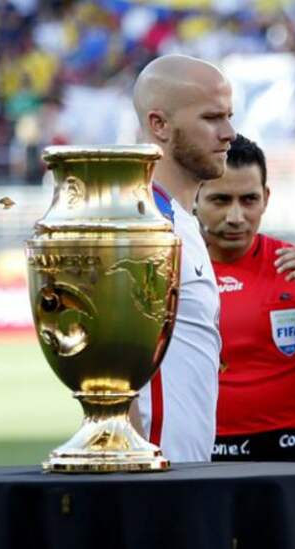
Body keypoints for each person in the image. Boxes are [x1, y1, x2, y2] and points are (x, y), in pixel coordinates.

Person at [194, 134, 295, 462]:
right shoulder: (174, 270)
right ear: (195, 197)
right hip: (204, 460)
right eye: (221, 200)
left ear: (266, 198)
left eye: (249, 200)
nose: (236, 216)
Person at [129, 54, 236, 462]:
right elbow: (113, 379)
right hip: (155, 478)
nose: (229, 133)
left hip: (185, 475)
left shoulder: (181, 222)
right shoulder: (145, 226)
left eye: (229, 117)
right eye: (211, 118)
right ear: (159, 125)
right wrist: (133, 472)